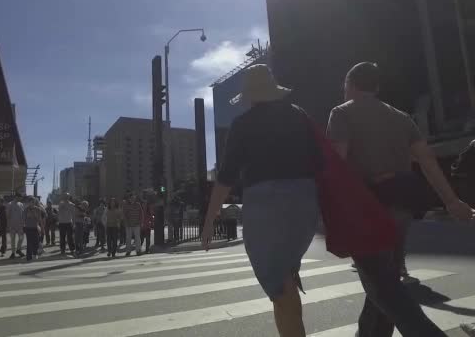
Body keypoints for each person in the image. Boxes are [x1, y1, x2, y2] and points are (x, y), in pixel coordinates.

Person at [327, 62, 473, 337]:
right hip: (402, 206)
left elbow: (337, 166)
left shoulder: (341, 113)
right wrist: (452, 201)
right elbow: (428, 161)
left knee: (382, 287)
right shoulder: (401, 117)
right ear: (377, 87)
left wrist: (332, 212)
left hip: (367, 210)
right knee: (385, 281)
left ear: (349, 85)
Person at [202, 64, 322, 337]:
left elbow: (226, 176)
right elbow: (319, 162)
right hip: (305, 200)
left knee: (279, 285)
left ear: (251, 95)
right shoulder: (299, 116)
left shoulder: (243, 124)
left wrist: (210, 219)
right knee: (285, 279)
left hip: (265, 205)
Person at [23, 197, 45, 261]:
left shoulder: (38, 209)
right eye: (30, 202)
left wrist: (42, 228)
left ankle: (34, 254)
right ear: (28, 203)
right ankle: (29, 257)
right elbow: (23, 219)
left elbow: (40, 219)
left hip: (35, 227)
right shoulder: (26, 209)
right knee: (29, 242)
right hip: (28, 227)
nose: (32, 203)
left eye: (33, 202)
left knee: (36, 242)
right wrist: (28, 216)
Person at [6, 193, 25, 259]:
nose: (21, 198)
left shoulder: (21, 204)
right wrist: (8, 226)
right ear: (16, 197)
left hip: (20, 225)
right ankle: (13, 253)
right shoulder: (10, 204)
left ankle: (18, 249)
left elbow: (23, 215)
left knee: (21, 238)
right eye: (20, 197)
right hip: (12, 225)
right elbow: (7, 216)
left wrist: (23, 224)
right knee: (13, 240)